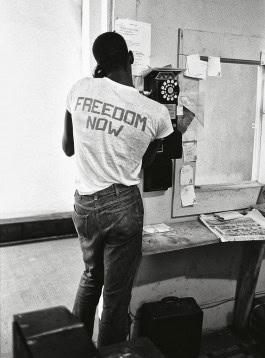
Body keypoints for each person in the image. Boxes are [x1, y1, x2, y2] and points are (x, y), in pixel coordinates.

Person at [62, 31, 173, 347]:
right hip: (122, 204)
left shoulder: (80, 89)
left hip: (84, 204)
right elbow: (144, 162)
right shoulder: (156, 112)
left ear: (98, 64)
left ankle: (72, 349)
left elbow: (69, 148)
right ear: (130, 58)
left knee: (90, 277)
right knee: (115, 295)